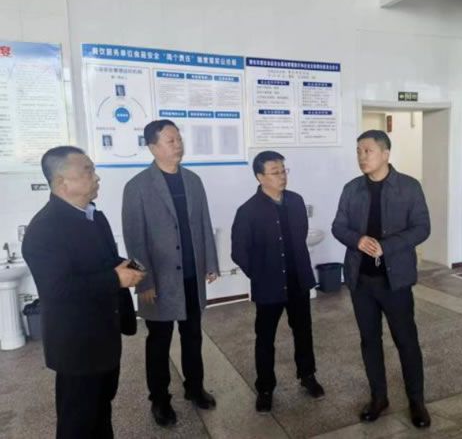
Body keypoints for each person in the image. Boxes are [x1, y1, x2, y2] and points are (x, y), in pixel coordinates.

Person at [22, 146, 145, 439]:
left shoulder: (92, 216)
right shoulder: (44, 229)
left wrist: (127, 266)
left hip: (104, 335)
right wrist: (115, 279)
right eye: (88, 170)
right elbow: (58, 289)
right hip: (77, 345)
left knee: (101, 409)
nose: (96, 177)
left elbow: (103, 261)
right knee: (77, 420)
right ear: (63, 181)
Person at [122, 119, 219, 427]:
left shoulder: (193, 180)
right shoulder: (137, 186)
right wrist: (144, 282)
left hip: (190, 276)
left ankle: (195, 388)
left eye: (179, 139)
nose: (178, 145)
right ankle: (160, 400)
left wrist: (211, 263)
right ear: (153, 147)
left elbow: (204, 223)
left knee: (193, 335)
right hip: (158, 280)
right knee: (159, 341)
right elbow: (134, 238)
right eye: (170, 140)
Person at [332, 130, 431, 427]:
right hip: (361, 280)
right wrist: (357, 240)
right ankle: (378, 398)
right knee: (369, 341)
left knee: (407, 342)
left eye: (368, 151)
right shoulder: (351, 189)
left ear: (385, 153)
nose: (362, 157)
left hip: (395, 280)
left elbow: (422, 227)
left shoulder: (409, 187)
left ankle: (417, 402)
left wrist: (387, 246)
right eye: (359, 151)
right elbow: (338, 226)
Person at [231, 151, 325, 413]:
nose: (282, 176)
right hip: (268, 285)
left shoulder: (296, 201)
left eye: (283, 170)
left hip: (297, 281)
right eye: (275, 172)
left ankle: (307, 375)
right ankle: (265, 388)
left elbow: (300, 236)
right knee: (265, 338)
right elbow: (239, 251)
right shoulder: (248, 211)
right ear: (260, 177)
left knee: (303, 331)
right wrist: (260, 275)